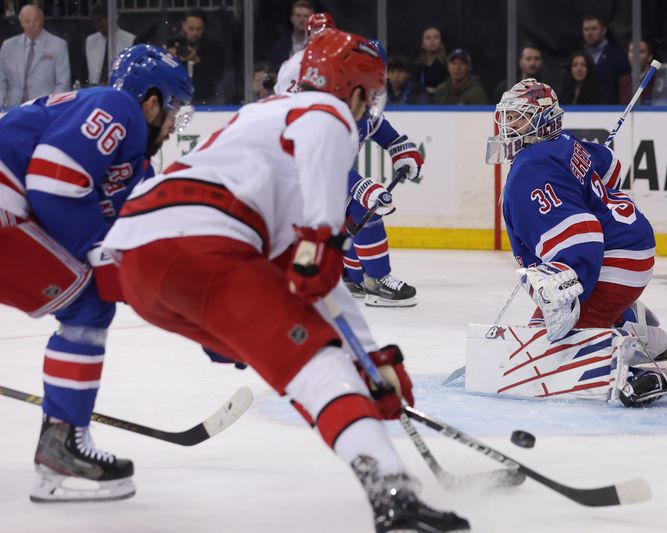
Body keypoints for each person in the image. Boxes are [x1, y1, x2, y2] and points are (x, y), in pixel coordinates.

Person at [102, 29, 469, 533]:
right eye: (371, 95)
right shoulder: (330, 112)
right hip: (200, 246)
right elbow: (324, 141)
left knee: (307, 363)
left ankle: (384, 475)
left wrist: (371, 356)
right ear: (356, 90)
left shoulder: (259, 121)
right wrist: (322, 231)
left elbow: (317, 285)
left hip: (142, 263)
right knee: (317, 366)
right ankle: (393, 493)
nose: (367, 109)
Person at [0, 44, 193, 502]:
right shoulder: (116, 106)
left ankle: (61, 441)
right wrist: (97, 253)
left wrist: (197, 315)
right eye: (173, 112)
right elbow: (53, 180)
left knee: (91, 299)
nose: (171, 126)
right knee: (87, 305)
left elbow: (133, 242)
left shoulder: (130, 162)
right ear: (150, 101)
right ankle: (62, 444)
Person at [485, 79, 667, 406]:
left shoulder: (531, 169)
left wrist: (569, 294)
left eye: (518, 117)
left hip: (612, 259)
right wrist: (579, 168)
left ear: (541, 121)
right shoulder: (563, 142)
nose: (507, 125)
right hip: (629, 246)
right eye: (507, 116)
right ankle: (639, 330)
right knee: (544, 333)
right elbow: (610, 166)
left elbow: (583, 237)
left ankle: (631, 376)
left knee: (548, 351)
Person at [276, 14, 423, 307]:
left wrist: (401, 150)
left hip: (314, 182)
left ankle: (354, 279)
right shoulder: (322, 113)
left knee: (350, 218)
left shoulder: (351, 105)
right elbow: (318, 160)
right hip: (296, 184)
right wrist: (362, 188)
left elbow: (380, 129)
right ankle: (375, 279)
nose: (375, 90)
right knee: (360, 207)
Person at [0, 4, 69, 109]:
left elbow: (63, 83)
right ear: (21, 23)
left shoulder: (58, 45)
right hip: (12, 108)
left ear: (42, 20)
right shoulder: (8, 45)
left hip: (43, 109)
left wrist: (53, 108)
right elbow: (1, 79)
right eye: (27, 21)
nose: (32, 25)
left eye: (35, 20)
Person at [166, 9, 224, 104]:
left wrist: (198, 62)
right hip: (177, 99)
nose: (195, 33)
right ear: (183, 26)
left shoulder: (214, 49)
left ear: (204, 28)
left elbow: (218, 77)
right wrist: (172, 59)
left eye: (198, 29)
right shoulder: (173, 44)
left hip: (206, 100)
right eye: (191, 28)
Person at [581, 14, 629, 105]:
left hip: (610, 109)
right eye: (586, 29)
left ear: (604, 30)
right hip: (584, 110)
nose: (589, 33)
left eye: (594, 28)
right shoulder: (578, 57)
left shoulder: (617, 56)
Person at [84, 2, 135, 87]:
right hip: (95, 90)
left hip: (120, 89)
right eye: (96, 21)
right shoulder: (90, 41)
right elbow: (85, 71)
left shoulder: (130, 40)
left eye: (101, 20)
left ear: (112, 18)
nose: (99, 23)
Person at [268, 0, 314, 66]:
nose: (302, 19)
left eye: (306, 16)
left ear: (311, 19)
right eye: (298, 16)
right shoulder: (281, 45)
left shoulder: (315, 44)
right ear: (292, 18)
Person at [411, 26, 448, 95]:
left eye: (436, 37)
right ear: (422, 43)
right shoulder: (416, 65)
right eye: (428, 38)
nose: (432, 40)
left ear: (441, 42)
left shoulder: (447, 65)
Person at [618, 40, 655, 105]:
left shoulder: (657, 81)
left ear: (649, 57)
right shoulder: (623, 81)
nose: (636, 55)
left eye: (641, 52)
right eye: (632, 51)